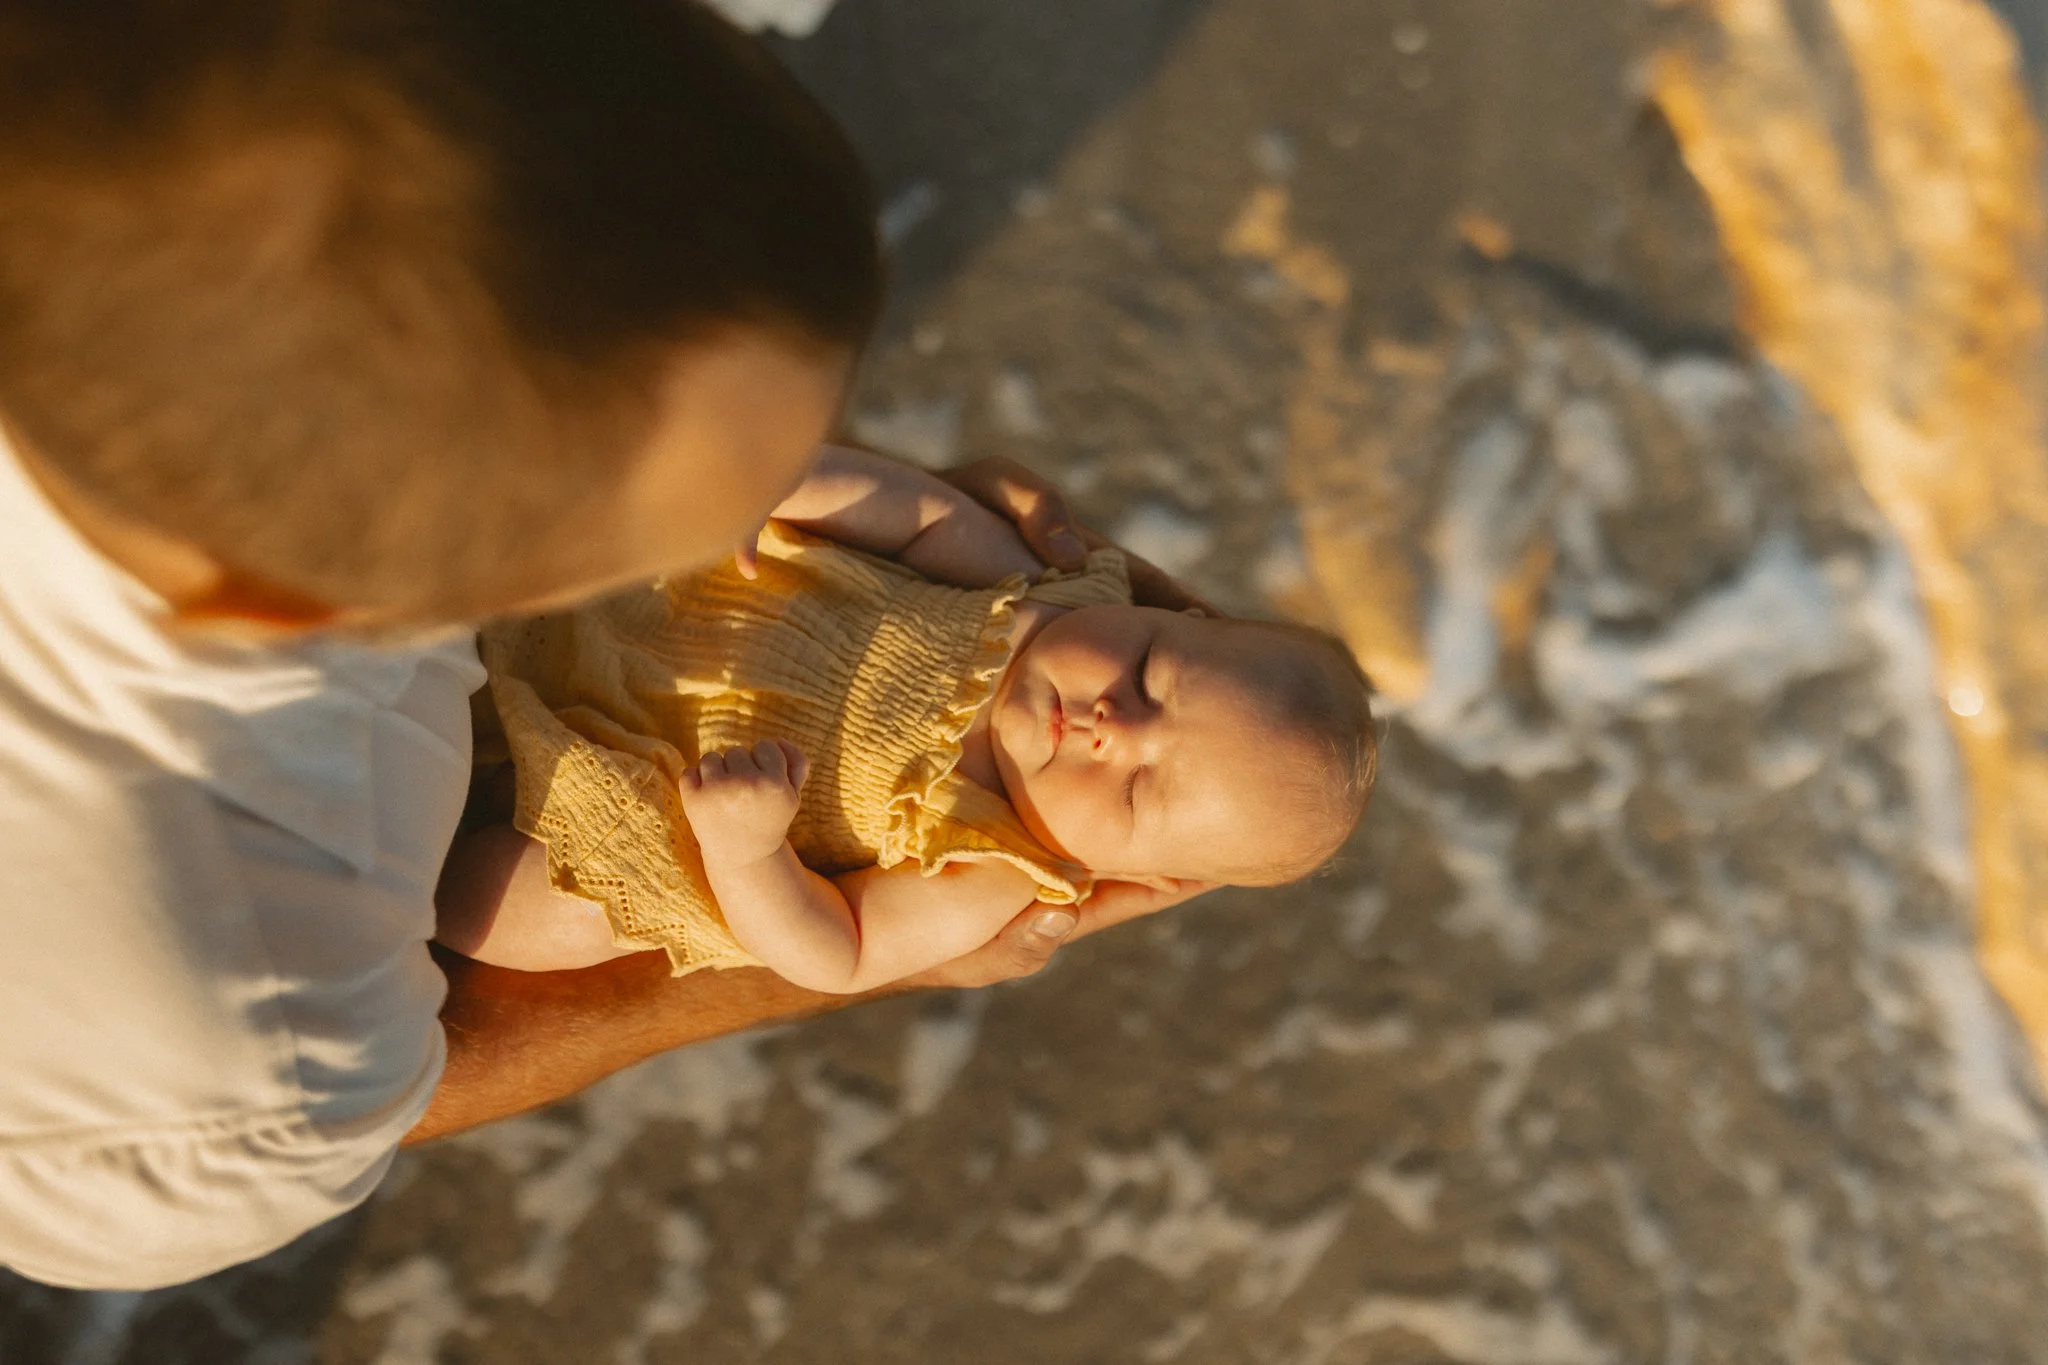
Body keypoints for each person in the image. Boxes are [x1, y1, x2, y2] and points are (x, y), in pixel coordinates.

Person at [0, 0, 1193, 1292]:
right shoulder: (219, 1079)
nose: (768, 508)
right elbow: (405, 1054)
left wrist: (886, 575)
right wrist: (803, 944)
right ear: (326, 612)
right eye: (662, 538)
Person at [439, 445, 1377, 992]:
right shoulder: (1032, 590)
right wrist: (779, 483)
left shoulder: (996, 864)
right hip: (653, 605)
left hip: (661, 807)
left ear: (1142, 876)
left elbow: (840, 951)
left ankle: (410, 877)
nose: (1111, 726)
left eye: (1137, 790)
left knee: (529, 918)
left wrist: (746, 850)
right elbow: (914, 512)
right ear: (1170, 609)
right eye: (1151, 673)